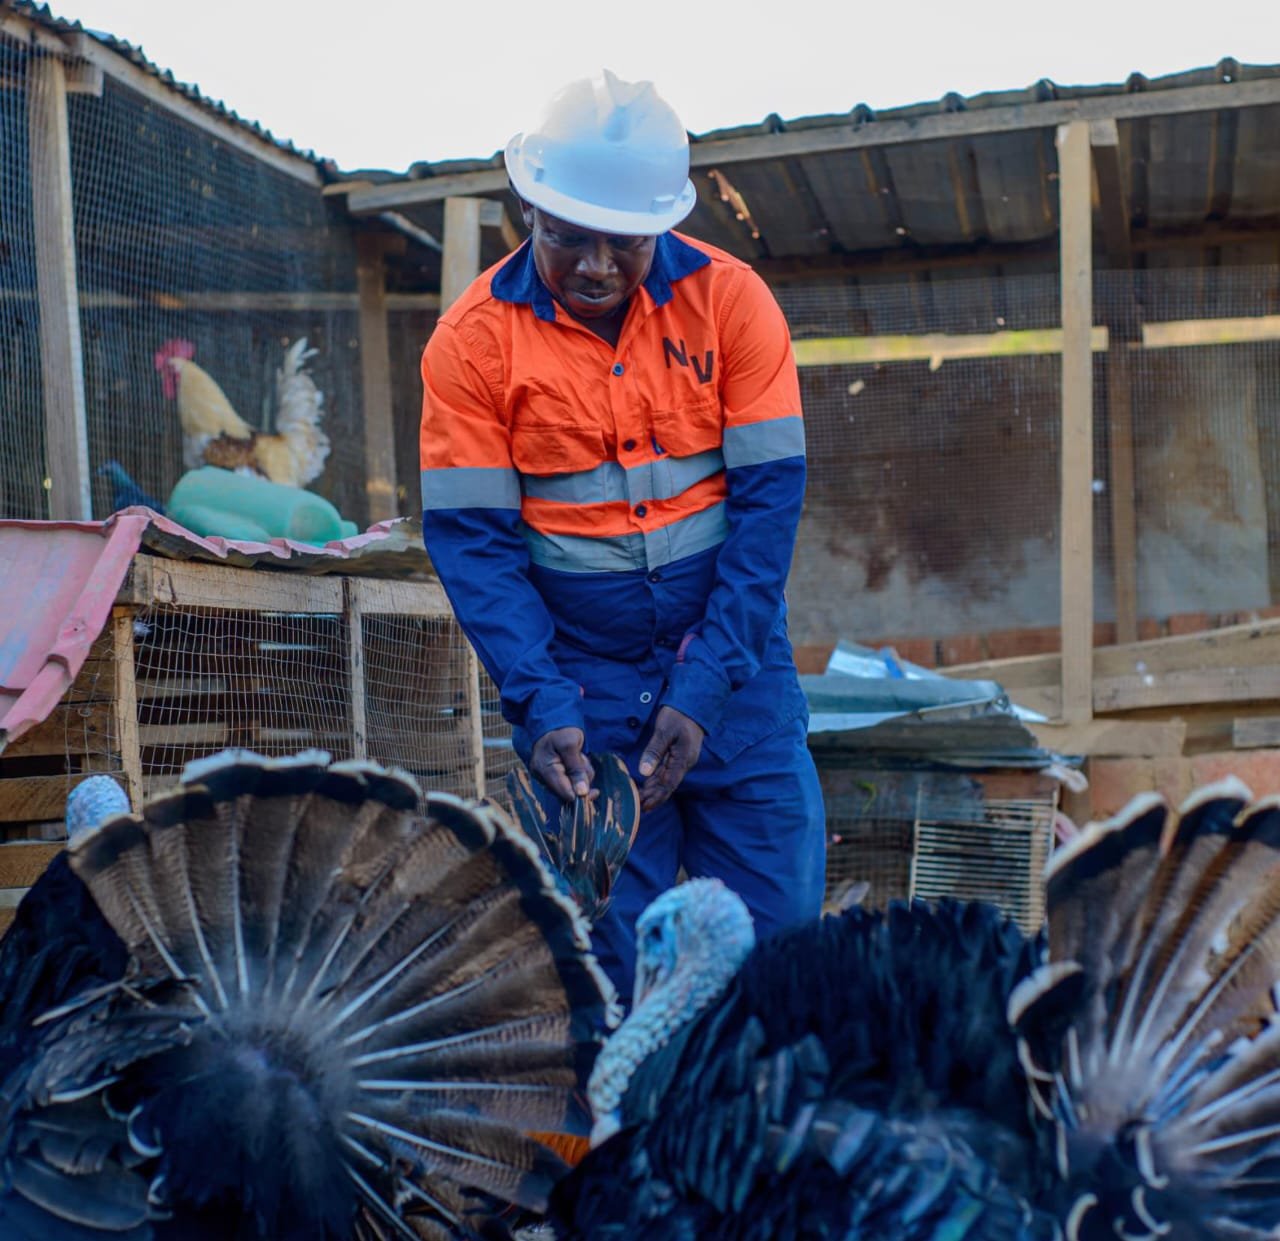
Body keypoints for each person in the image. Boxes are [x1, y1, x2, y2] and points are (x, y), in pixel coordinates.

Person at [419, 70, 825, 998]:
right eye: (568, 238)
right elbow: (475, 547)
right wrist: (541, 703)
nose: (596, 266)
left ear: (662, 228)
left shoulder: (734, 305)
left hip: (736, 677)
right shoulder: (471, 346)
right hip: (583, 693)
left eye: (624, 244)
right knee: (607, 979)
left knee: (785, 963)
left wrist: (711, 681)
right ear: (528, 209)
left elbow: (768, 514)